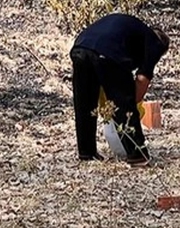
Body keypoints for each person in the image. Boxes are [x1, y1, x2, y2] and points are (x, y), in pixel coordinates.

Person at [69, 13, 170, 166]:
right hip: (108, 52)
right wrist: (132, 104)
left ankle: (86, 152)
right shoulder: (155, 42)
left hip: (80, 47)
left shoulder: (133, 31)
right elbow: (142, 80)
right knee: (124, 105)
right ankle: (138, 155)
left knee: (85, 103)